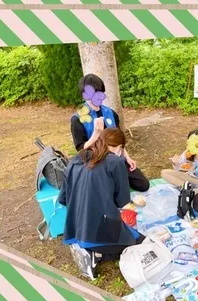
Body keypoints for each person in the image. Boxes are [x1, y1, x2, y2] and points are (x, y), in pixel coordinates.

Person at [59, 127, 146, 281]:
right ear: (119, 148)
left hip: (75, 228)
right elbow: (122, 202)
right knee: (140, 242)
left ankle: (87, 246)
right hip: (98, 231)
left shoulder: (75, 160)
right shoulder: (116, 162)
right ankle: (96, 253)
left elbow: (63, 198)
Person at [71, 74, 148, 193]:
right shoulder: (78, 119)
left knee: (143, 185)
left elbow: (119, 140)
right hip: (96, 162)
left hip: (116, 160)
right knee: (109, 194)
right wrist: (96, 134)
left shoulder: (110, 113)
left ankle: (117, 179)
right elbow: (81, 149)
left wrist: (128, 158)